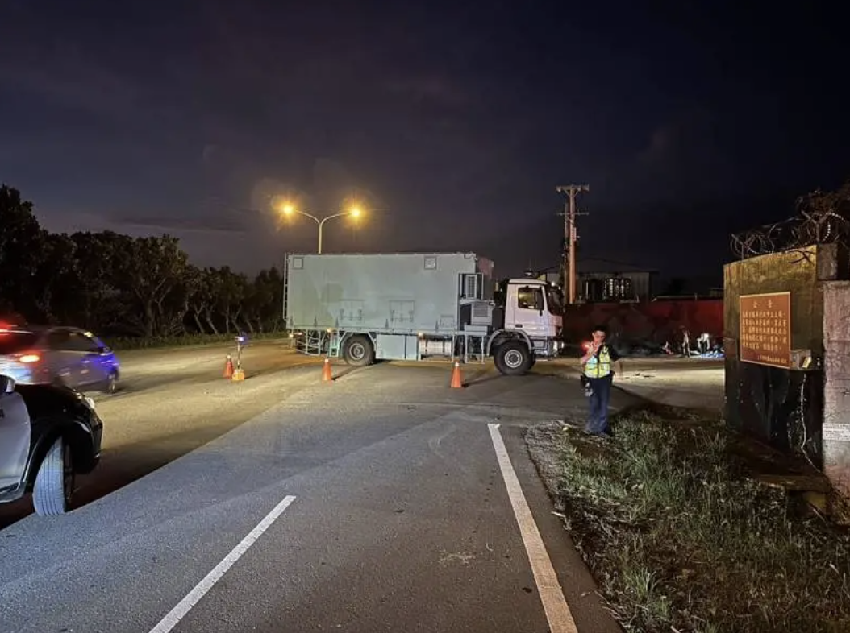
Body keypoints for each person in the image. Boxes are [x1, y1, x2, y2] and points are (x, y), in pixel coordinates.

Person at [580, 325, 624, 438]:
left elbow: (618, 360)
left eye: (602, 336)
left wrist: (620, 374)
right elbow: (581, 361)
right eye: (597, 336)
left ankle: (601, 428)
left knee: (603, 404)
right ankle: (591, 426)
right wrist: (591, 353)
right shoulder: (587, 346)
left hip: (604, 380)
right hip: (590, 380)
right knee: (594, 403)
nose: (599, 338)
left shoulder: (608, 348)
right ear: (593, 335)